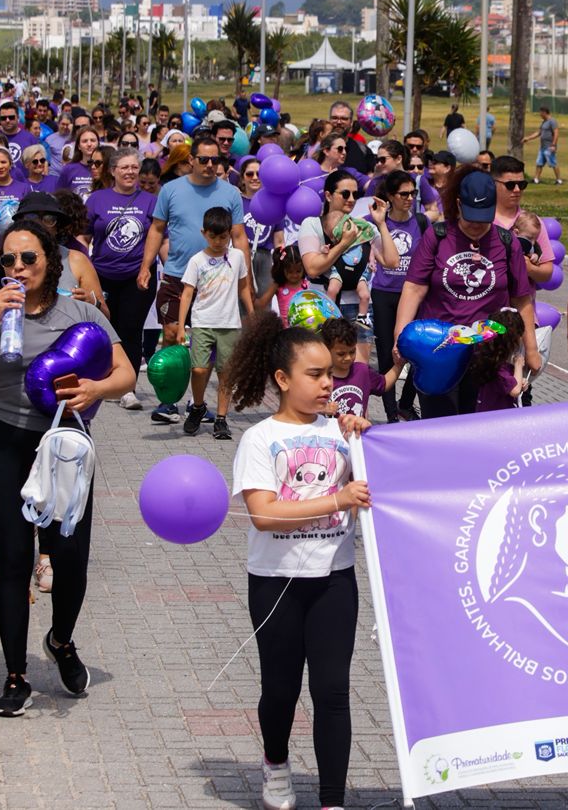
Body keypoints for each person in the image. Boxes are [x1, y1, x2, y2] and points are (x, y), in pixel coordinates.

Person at [0, 219, 135, 717]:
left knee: (70, 559)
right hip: (2, 443)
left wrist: (96, 391)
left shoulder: (77, 311)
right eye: (8, 259)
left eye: (29, 258)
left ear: (50, 260)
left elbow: (125, 373)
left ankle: (62, 640)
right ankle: (14, 676)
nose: (19, 268)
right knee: (14, 560)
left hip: (63, 448)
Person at [225, 314, 372, 810]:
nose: (328, 382)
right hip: (276, 582)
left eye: (330, 372)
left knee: (332, 691)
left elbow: (376, 490)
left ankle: (332, 801)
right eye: (315, 374)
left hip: (335, 581)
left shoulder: (342, 434)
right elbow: (264, 515)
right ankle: (276, 764)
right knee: (281, 690)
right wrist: (337, 500)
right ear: (283, 380)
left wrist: (366, 442)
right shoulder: (259, 439)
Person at [393, 168, 542, 418]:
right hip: (439, 350)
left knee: (481, 425)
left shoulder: (507, 243)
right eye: (471, 216)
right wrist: (401, 335)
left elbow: (521, 299)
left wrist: (531, 349)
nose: (476, 225)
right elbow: (414, 288)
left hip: (488, 355)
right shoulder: (438, 236)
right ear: (459, 205)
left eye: (483, 218)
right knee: (439, 424)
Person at [139, 133, 250, 424]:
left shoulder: (230, 193)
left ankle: (196, 402)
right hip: (176, 277)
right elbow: (156, 230)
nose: (210, 165)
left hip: (216, 281)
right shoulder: (171, 190)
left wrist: (245, 277)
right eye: (204, 159)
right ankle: (167, 402)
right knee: (173, 336)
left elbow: (239, 236)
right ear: (191, 160)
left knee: (208, 344)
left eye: (216, 160)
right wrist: (145, 266)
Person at [86, 148, 158, 410]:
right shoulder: (97, 199)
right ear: (113, 171)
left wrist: (166, 267)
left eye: (134, 168)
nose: (130, 172)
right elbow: (84, 238)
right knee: (102, 330)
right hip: (101, 275)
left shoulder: (150, 201)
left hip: (136, 277)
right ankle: (101, 380)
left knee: (130, 331)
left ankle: (127, 388)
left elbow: (159, 237)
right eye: (125, 167)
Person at [178, 207, 251, 439]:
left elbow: (244, 287)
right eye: (213, 236)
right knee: (198, 368)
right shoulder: (196, 261)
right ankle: (198, 407)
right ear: (203, 233)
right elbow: (187, 294)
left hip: (230, 324)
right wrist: (181, 326)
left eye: (223, 237)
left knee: (226, 373)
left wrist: (251, 314)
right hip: (202, 322)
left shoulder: (237, 256)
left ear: (230, 233)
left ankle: (221, 419)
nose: (218, 242)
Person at [299, 171, 378, 357]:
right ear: (328, 195)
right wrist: (344, 243)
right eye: (345, 194)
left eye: (355, 194)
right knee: (322, 366)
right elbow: (312, 268)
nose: (351, 199)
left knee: (358, 371)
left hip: (357, 306)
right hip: (322, 305)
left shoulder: (365, 227)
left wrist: (381, 224)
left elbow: (391, 261)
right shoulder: (312, 224)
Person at [367, 171, 422, 422]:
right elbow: (389, 259)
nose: (410, 198)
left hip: (412, 295)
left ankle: (406, 403)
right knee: (388, 354)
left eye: (413, 193)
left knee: (419, 353)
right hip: (384, 294)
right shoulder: (376, 223)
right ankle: (391, 415)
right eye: (404, 194)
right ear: (390, 196)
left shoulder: (421, 223)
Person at [491, 155, 554, 286]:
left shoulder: (532, 222)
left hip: (523, 302)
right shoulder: (481, 220)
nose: (517, 190)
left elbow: (547, 272)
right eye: (510, 185)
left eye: (522, 184)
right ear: (493, 183)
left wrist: (530, 268)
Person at [321, 317, 401, 419]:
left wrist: (399, 365)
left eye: (352, 352)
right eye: (341, 354)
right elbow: (301, 405)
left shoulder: (362, 371)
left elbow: (384, 383)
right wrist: (321, 409)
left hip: (358, 433)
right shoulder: (320, 377)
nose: (348, 358)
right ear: (326, 350)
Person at [237, 156, 284, 303]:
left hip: (265, 258)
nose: (255, 178)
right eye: (250, 174)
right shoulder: (236, 201)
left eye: (259, 174)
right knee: (242, 302)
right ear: (242, 178)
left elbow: (279, 240)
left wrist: (280, 264)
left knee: (264, 304)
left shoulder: (276, 204)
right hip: (241, 256)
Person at [471, 307, 529, 412]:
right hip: (495, 419)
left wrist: (521, 381)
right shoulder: (499, 368)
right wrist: (518, 365)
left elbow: (512, 383)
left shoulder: (490, 360)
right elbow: (515, 390)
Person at [56, 126, 100, 199]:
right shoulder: (68, 169)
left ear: (98, 143)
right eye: (84, 141)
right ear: (79, 146)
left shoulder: (105, 168)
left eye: (92, 140)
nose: (89, 144)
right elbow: (59, 196)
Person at [523, 106, 561, 184]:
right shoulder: (544, 122)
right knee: (539, 163)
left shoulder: (552, 121)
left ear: (544, 112)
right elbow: (538, 133)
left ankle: (559, 180)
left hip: (549, 147)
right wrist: (528, 138)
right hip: (542, 147)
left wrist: (553, 145)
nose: (540, 114)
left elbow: (556, 133)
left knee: (553, 163)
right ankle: (536, 179)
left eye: (540, 113)